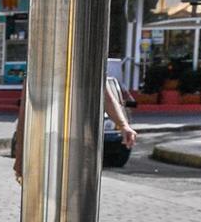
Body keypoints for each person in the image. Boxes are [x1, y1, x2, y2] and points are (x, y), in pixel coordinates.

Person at [9, 76, 137, 181]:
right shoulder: (40, 64)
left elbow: (108, 98)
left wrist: (124, 125)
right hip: (47, 144)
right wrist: (20, 156)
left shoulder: (90, 62)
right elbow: (26, 114)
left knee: (77, 199)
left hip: (80, 146)